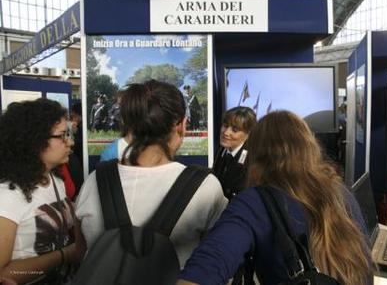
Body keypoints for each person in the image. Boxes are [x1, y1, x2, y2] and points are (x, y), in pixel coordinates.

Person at [178, 111, 373, 285]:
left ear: (255, 152)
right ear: (310, 146)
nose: (227, 132)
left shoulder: (253, 203)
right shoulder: (341, 192)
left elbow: (205, 268)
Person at [75, 80, 227, 268]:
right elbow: (218, 261)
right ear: (181, 125)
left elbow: (81, 253)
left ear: (129, 124)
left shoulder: (93, 182)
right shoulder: (206, 188)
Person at [0, 99, 83, 284]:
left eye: (69, 134)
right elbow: (3, 274)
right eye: (62, 136)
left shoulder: (55, 180)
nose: (70, 142)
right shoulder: (7, 196)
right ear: (35, 140)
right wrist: (64, 255)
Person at [212, 107, 256, 199]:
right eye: (225, 125)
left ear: (248, 135)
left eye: (234, 130)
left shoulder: (251, 161)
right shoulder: (221, 150)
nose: (226, 133)